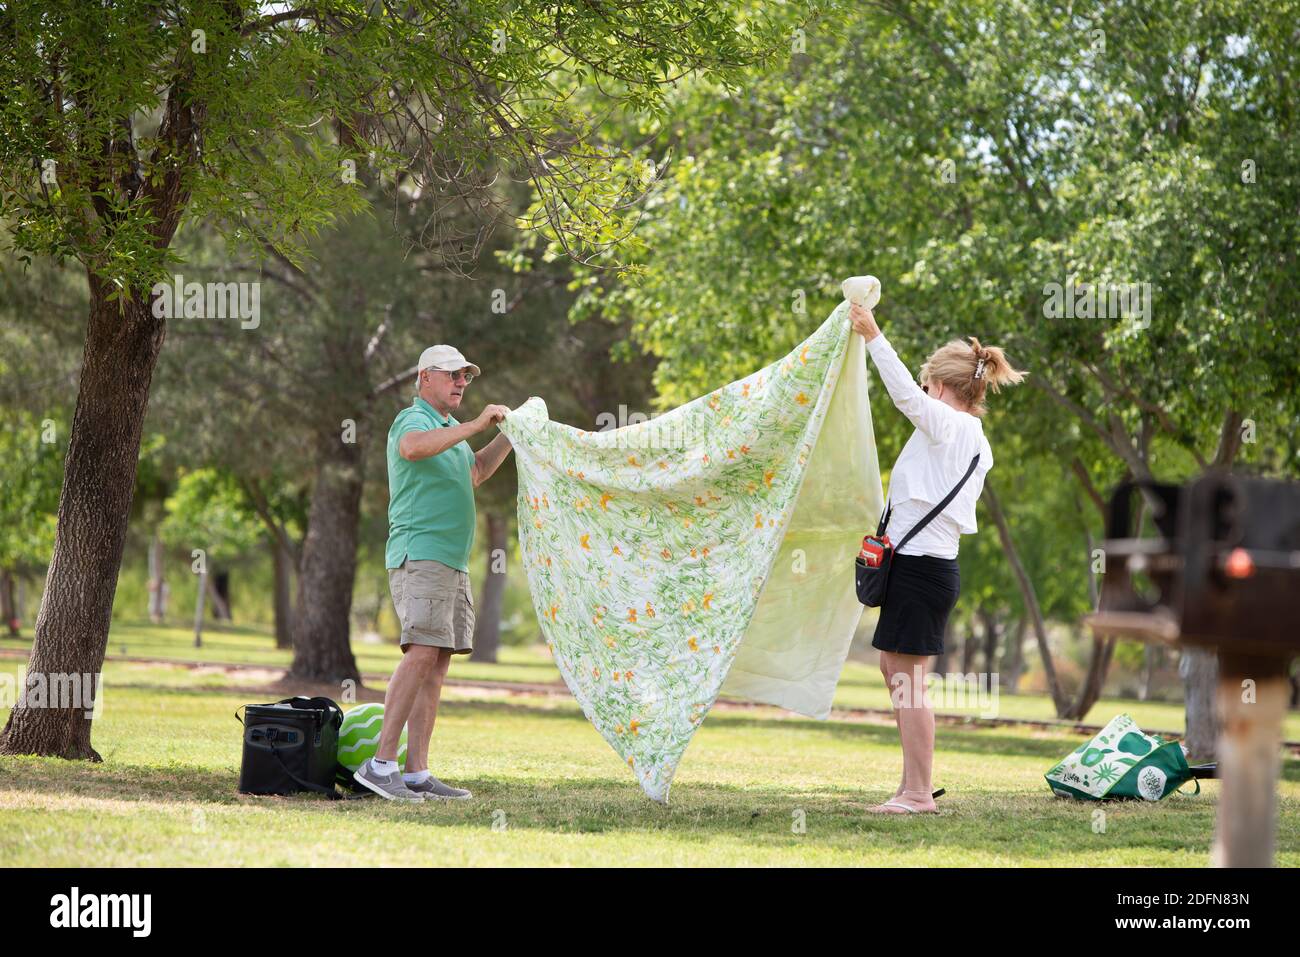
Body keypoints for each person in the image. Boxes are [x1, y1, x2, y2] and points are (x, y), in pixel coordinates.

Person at [850, 302, 1025, 813]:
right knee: (895, 671)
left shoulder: (953, 428)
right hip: (919, 566)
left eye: (929, 386)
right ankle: (910, 787)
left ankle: (919, 793)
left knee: (908, 682)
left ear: (943, 388)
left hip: (922, 569)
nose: (924, 393)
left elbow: (904, 396)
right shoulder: (963, 436)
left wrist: (873, 336)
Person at [353, 344, 514, 801]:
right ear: (425, 378)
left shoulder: (451, 432)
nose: (462, 383)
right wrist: (478, 424)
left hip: (451, 561)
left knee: (437, 663)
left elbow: (477, 471)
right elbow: (412, 448)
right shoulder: (414, 420)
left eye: (466, 377)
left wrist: (512, 435)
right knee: (422, 651)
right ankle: (380, 765)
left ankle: (416, 772)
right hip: (419, 554)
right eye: (453, 375)